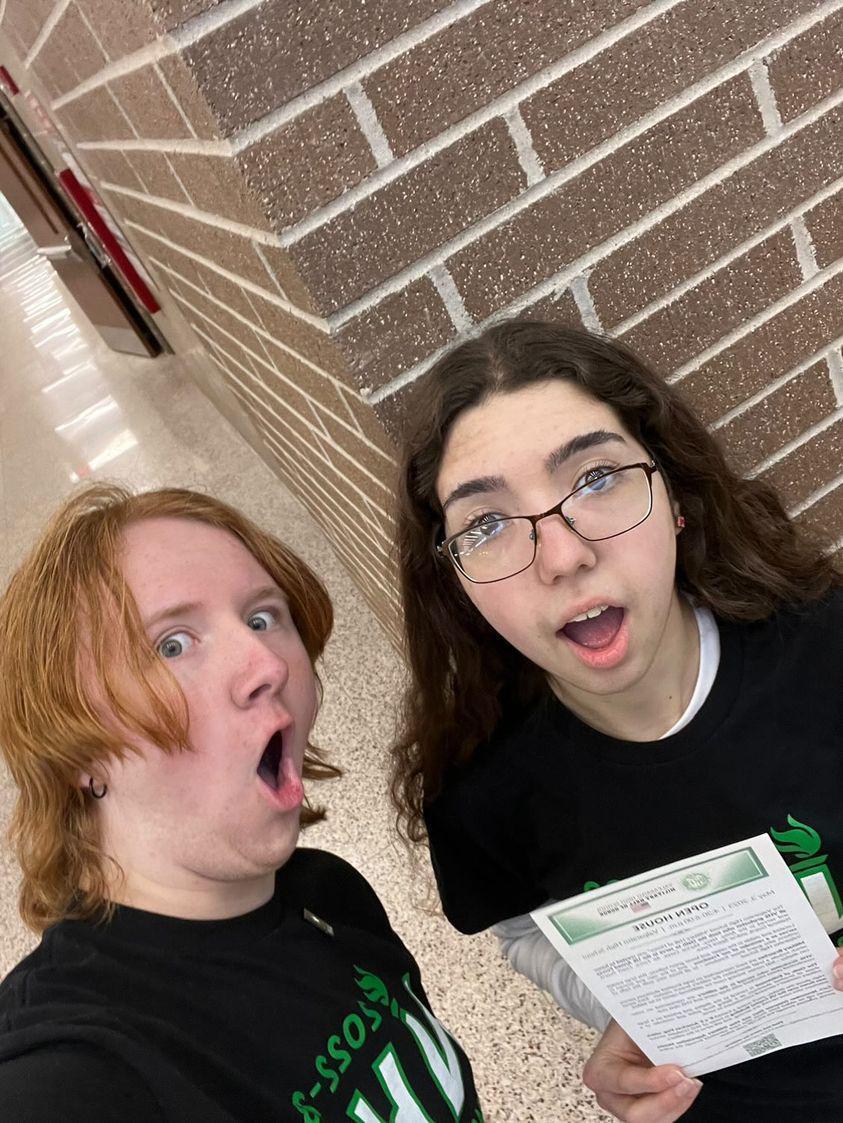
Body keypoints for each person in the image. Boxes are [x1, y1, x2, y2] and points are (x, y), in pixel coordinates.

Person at [391, 319, 843, 1122]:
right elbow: (523, 932)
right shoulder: (479, 788)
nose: (562, 556)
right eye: (486, 523)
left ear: (673, 497)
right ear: (454, 581)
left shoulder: (824, 641)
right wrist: (624, 1011)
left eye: (596, 477)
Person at [0, 484, 484, 1123]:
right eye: (172, 644)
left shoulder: (330, 892)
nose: (267, 665)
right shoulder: (71, 1070)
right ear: (74, 746)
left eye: (262, 618)